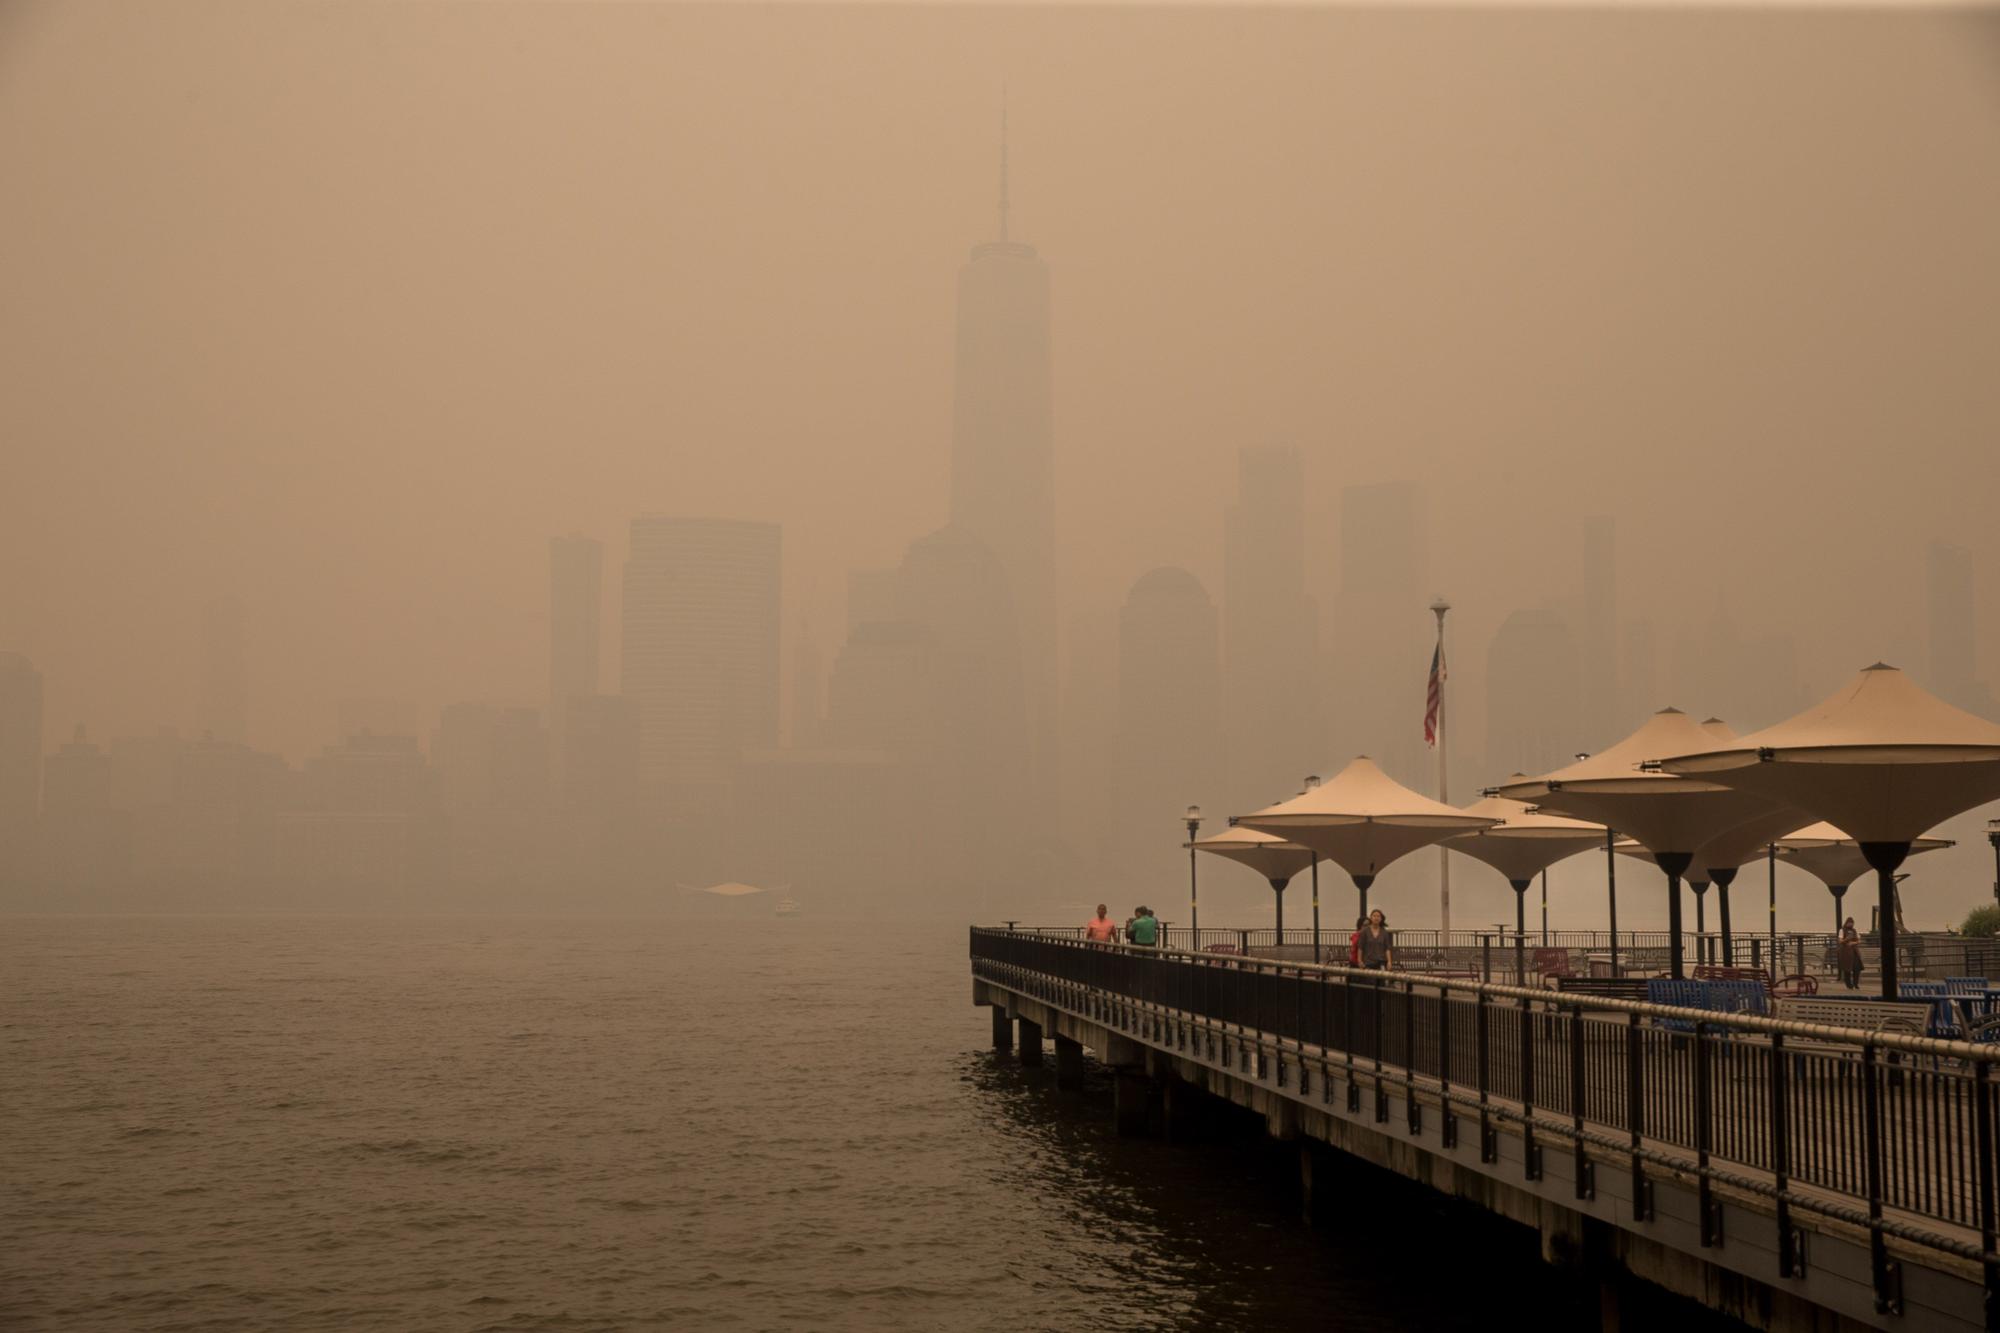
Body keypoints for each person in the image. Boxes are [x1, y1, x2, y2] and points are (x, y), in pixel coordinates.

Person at [1837, 916, 1862, 989]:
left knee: (1856, 968)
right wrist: (1847, 939)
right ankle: (1849, 984)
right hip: (1846, 952)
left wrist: (1853, 943)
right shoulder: (1842, 930)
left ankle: (1856, 983)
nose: (1851, 924)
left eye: (1852, 923)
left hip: (1854, 951)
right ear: (1846, 923)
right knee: (1847, 968)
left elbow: (1859, 940)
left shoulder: (1854, 930)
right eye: (1849, 923)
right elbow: (1840, 941)